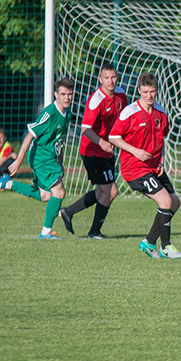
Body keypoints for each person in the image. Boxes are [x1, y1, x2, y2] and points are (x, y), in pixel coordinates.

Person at [108, 72, 181, 259]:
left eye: (152, 92)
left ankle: (150, 242)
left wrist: (162, 160)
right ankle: (166, 247)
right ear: (139, 91)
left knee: (174, 203)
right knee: (165, 201)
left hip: (154, 167)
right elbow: (113, 137)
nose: (149, 96)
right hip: (134, 168)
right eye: (145, 92)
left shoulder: (161, 112)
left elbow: (163, 138)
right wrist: (135, 151)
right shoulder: (130, 112)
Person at [0, 79, 74, 239]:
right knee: (59, 192)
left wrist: (60, 162)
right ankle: (46, 232)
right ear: (56, 95)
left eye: (69, 94)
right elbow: (30, 135)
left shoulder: (67, 114)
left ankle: (7, 183)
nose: (67, 98)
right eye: (63, 94)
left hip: (50, 157)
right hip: (41, 157)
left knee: (45, 196)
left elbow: (59, 140)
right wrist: (19, 161)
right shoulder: (49, 114)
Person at [58, 62, 128, 238]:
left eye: (113, 77)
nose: (110, 81)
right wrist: (102, 142)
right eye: (106, 78)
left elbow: (124, 120)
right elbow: (85, 129)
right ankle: (94, 232)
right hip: (91, 151)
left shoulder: (121, 95)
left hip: (108, 150)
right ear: (100, 79)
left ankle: (68, 211)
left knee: (102, 191)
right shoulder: (95, 100)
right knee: (110, 191)